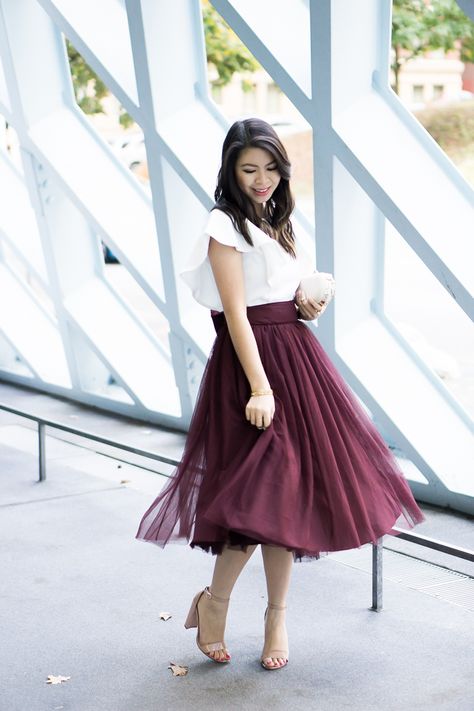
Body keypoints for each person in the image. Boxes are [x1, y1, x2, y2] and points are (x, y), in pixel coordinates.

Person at [136, 117, 425, 671]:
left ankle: (276, 616)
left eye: (270, 168)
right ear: (230, 170)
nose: (262, 179)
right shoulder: (223, 225)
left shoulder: (275, 218)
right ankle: (216, 604)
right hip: (252, 371)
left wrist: (305, 303)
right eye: (249, 169)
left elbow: (278, 293)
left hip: (295, 355)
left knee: (286, 497)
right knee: (254, 499)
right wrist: (261, 387)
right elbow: (236, 316)